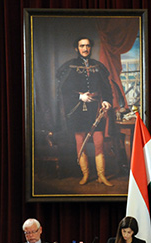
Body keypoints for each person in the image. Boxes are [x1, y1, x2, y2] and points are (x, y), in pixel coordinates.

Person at [56, 36, 114, 186]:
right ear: (77, 48)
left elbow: (107, 88)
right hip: (77, 111)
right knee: (80, 142)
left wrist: (107, 101)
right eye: (82, 46)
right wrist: (79, 96)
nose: (85, 48)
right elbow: (63, 90)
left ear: (90, 48)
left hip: (96, 110)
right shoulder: (69, 67)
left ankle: (101, 175)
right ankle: (86, 174)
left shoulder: (98, 66)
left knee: (99, 143)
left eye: (87, 45)